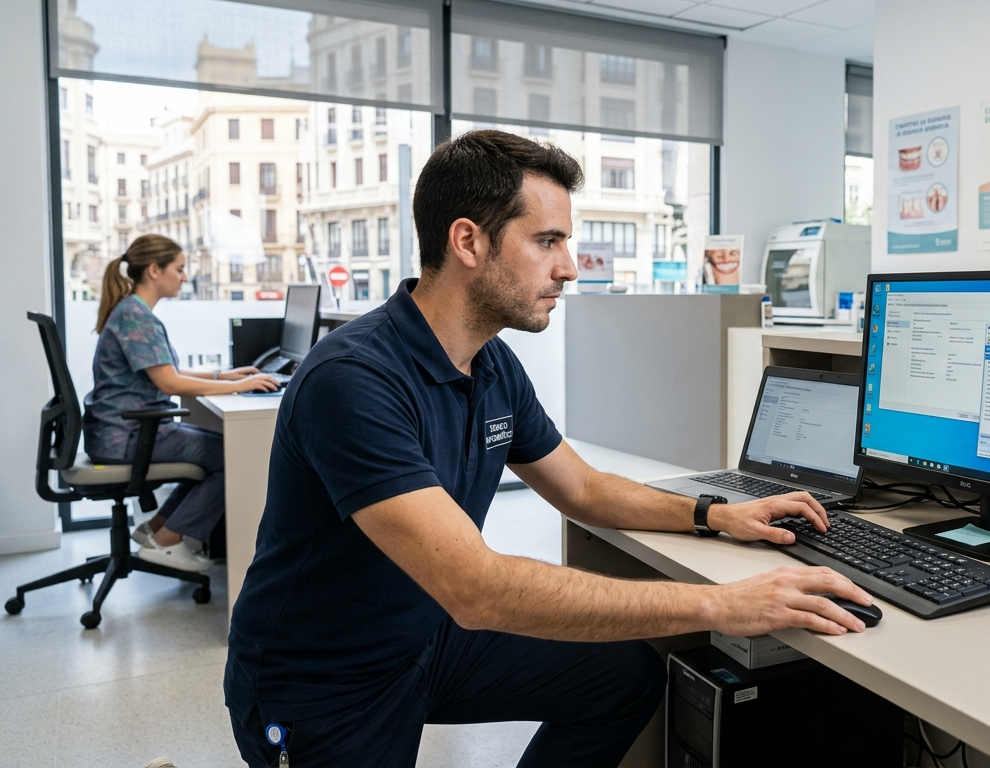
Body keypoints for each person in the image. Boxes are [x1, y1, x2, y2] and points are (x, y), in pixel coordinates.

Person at [224, 130, 873, 767]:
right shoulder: (354, 379)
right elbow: (475, 588)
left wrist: (712, 513)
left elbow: (581, 488)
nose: (568, 266)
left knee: (621, 679)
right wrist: (721, 603)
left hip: (426, 636)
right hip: (321, 682)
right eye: (547, 241)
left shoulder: (492, 363)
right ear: (468, 241)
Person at [84, 234, 279, 573]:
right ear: (155, 270)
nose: (185, 277)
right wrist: (244, 384)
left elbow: (164, 370)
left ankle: (158, 528)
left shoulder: (132, 310)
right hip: (128, 436)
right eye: (180, 269)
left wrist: (223, 377)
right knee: (230, 455)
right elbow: (169, 382)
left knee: (212, 451)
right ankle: (169, 540)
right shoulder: (137, 316)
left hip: (123, 430)